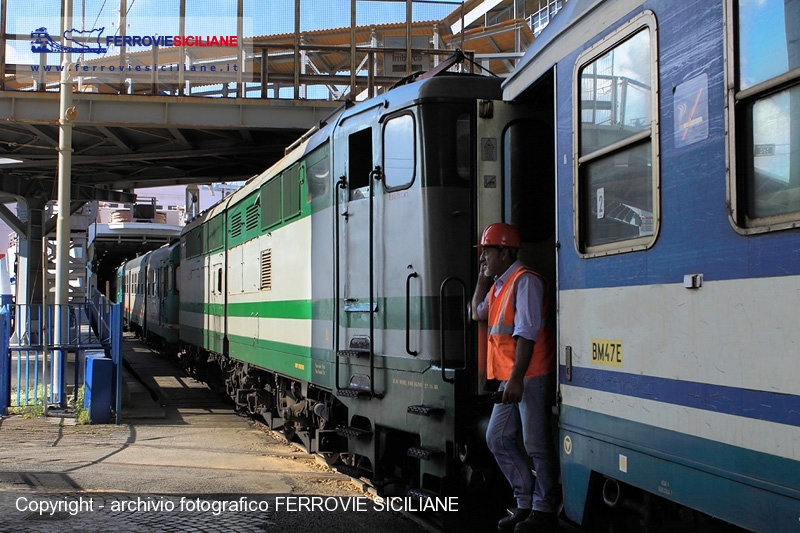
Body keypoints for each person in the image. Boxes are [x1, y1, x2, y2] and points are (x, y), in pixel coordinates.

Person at [470, 222, 559, 533]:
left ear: (504, 252)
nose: (482, 258)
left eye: (486, 253)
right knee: (497, 438)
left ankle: (544, 509)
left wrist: (518, 379)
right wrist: (483, 278)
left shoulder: (526, 282)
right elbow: (476, 312)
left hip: (528, 376)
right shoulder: (499, 285)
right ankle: (525, 503)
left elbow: (527, 334)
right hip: (511, 378)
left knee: (536, 444)